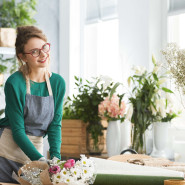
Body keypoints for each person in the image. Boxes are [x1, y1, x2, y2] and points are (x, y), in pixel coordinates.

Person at [0, 26, 66, 183]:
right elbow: (18, 131)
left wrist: (55, 159)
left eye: (44, 47)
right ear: (23, 56)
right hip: (6, 152)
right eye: (35, 51)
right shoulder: (15, 83)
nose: (43, 54)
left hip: (35, 152)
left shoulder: (57, 83)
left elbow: (55, 125)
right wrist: (41, 160)